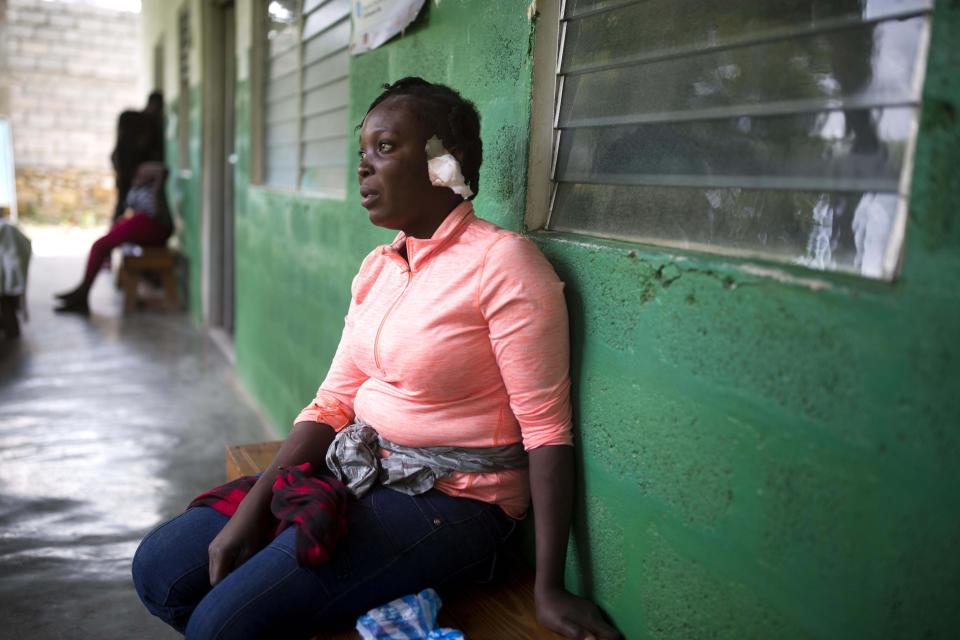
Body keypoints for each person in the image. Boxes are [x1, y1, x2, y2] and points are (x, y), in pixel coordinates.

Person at [130, 77, 621, 640]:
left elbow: (547, 429)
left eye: (385, 149)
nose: (364, 169)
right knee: (161, 569)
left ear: (443, 163)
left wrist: (549, 587)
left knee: (223, 625)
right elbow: (334, 401)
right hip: (363, 466)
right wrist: (253, 510)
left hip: (456, 503)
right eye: (362, 153)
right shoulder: (379, 267)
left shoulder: (504, 263)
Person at [55, 162, 172, 314]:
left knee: (100, 245)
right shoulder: (138, 185)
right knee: (104, 241)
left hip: (153, 228)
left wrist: (156, 182)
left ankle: (82, 292)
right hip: (143, 224)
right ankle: (82, 290)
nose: (143, 174)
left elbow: (162, 174)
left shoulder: (156, 190)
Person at [111, 91, 165, 223]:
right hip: (130, 171)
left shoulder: (136, 120)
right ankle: (116, 232)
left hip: (132, 172)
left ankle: (118, 232)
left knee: (129, 206)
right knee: (124, 204)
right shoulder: (139, 121)